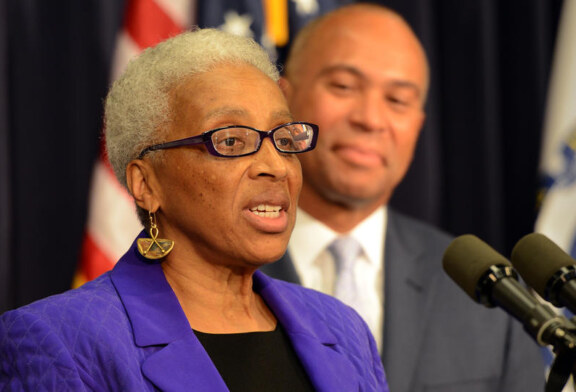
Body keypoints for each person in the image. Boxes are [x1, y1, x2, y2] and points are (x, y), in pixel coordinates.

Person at [0, 28, 388, 391]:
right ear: (147, 185)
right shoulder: (61, 339)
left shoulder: (343, 328)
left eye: (285, 138)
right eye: (231, 140)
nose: (277, 165)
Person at [261, 3, 545, 392]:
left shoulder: (486, 297)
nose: (371, 119)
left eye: (397, 100)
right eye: (343, 86)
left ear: (418, 126)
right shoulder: (211, 274)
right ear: (283, 100)